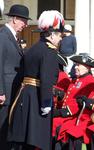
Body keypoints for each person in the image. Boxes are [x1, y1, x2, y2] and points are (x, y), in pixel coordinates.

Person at [8, 10, 64, 150]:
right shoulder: (50, 51)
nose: (60, 38)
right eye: (59, 35)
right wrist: (46, 102)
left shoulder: (33, 49)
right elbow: (46, 79)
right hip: (38, 97)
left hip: (25, 94)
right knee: (36, 140)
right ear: (51, 35)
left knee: (24, 139)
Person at [0, 4, 31, 150]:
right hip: (4, 92)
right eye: (24, 21)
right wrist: (0, 91)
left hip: (12, 90)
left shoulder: (12, 36)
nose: (26, 24)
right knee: (2, 128)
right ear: (15, 19)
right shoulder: (3, 36)